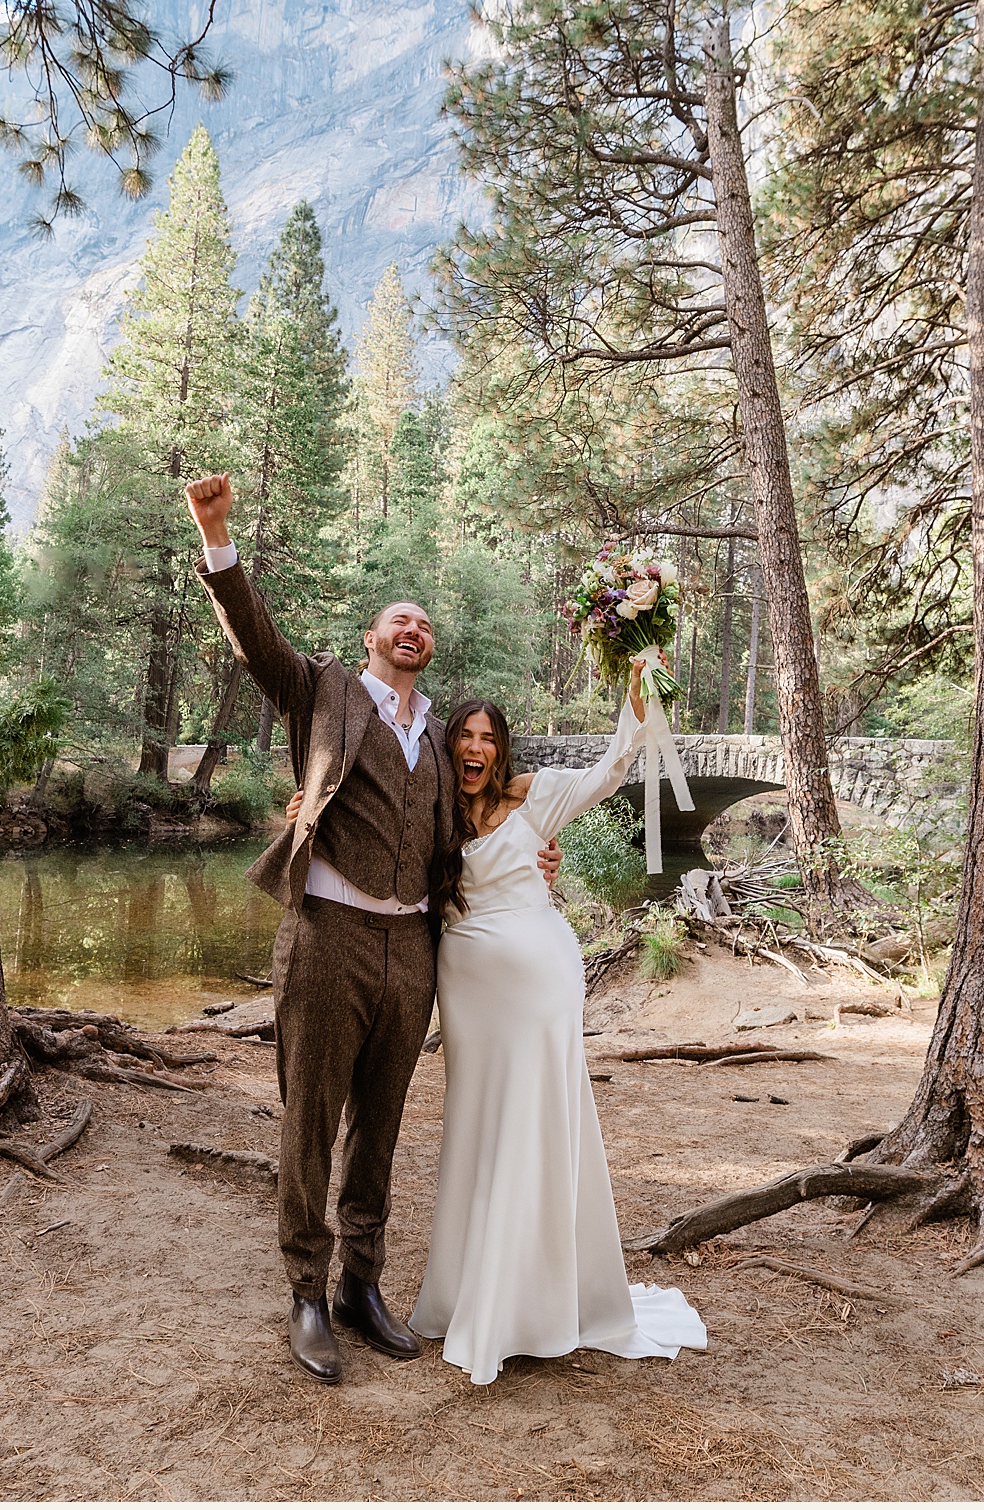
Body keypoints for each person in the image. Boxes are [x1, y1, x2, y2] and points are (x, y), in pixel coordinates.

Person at [182, 470, 562, 1385]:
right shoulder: (323, 691)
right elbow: (255, 642)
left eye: (426, 624)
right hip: (329, 939)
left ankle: (361, 1282)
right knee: (312, 1120)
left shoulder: (441, 735)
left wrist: (536, 857)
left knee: (382, 1126)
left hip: (413, 951)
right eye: (400, 620)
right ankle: (306, 1293)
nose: (414, 630)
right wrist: (217, 536)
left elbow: (483, 809)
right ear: (372, 638)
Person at [294, 690, 707, 1383]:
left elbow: (609, 772)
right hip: (469, 992)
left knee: (540, 1124)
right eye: (465, 736)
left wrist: (634, 707)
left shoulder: (537, 797)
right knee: (480, 1125)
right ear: (448, 745)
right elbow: (369, 831)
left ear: (502, 746)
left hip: (541, 985)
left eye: (488, 737)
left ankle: (536, 1300)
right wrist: (305, 814)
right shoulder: (432, 809)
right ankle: (470, 1291)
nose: (476, 748)